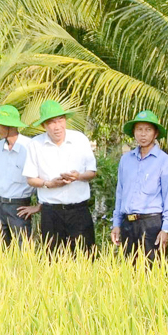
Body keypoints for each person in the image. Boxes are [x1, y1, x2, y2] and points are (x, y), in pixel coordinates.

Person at [24, 99, 97, 253]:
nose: (57, 127)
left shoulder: (80, 139)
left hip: (78, 210)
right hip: (51, 212)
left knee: (85, 258)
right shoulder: (35, 144)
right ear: (44, 126)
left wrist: (78, 176)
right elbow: (30, 178)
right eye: (51, 122)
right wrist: (49, 184)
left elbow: (92, 172)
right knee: (52, 260)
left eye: (60, 120)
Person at [111, 109, 168, 259]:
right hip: (128, 224)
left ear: (155, 134)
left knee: (152, 272)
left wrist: (165, 229)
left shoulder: (165, 162)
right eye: (139, 129)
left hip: (151, 224)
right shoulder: (126, 160)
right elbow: (120, 193)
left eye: (148, 130)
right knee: (129, 272)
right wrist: (116, 224)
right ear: (134, 132)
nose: (143, 134)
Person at [0, 105, 38, 244]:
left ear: (10, 126)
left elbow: (40, 177)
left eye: (0, 125)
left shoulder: (29, 147)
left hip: (19, 206)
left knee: (24, 248)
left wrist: (38, 206)